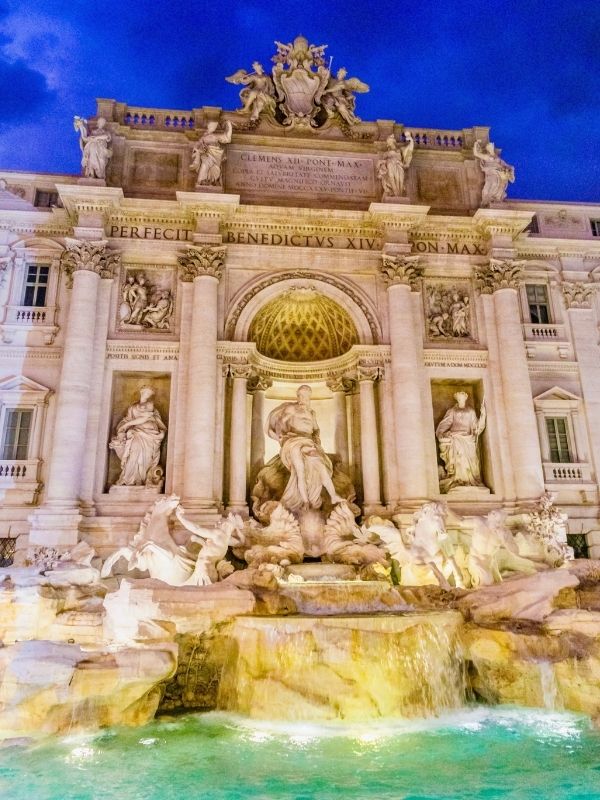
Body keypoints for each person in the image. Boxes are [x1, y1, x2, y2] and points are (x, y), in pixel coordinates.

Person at [266, 384, 345, 511]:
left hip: (309, 442)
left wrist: (316, 438)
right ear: (298, 396)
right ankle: (305, 501)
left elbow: (315, 429)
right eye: (301, 396)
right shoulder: (291, 408)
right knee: (300, 472)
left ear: (309, 397)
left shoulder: (311, 413)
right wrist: (279, 437)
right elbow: (278, 422)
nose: (303, 399)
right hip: (293, 442)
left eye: (306, 396)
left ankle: (333, 496)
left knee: (322, 468)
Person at [109, 386, 167, 486]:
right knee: (134, 452)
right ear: (142, 392)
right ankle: (129, 479)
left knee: (147, 457)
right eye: (146, 393)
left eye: (150, 394)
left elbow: (152, 420)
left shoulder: (150, 405)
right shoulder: (132, 407)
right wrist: (122, 429)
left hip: (151, 435)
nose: (147, 395)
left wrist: (128, 425)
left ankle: (142, 479)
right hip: (136, 434)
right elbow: (126, 420)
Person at [436, 391, 486, 493]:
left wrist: (483, 415)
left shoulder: (471, 411)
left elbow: (476, 427)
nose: (460, 399)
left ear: (465, 398)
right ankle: (459, 480)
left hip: (468, 439)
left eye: (462, 397)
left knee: (472, 459)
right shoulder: (452, 411)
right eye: (459, 398)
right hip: (456, 437)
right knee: (459, 457)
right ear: (457, 399)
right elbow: (445, 423)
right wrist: (441, 433)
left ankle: (470, 481)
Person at [191, 120, 233, 186]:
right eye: (212, 126)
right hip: (206, 154)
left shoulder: (216, 136)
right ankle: (201, 181)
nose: (213, 128)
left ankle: (211, 181)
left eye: (214, 126)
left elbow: (227, 138)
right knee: (204, 165)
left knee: (212, 167)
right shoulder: (203, 138)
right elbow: (196, 146)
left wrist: (229, 125)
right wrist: (198, 150)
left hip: (216, 154)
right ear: (208, 126)